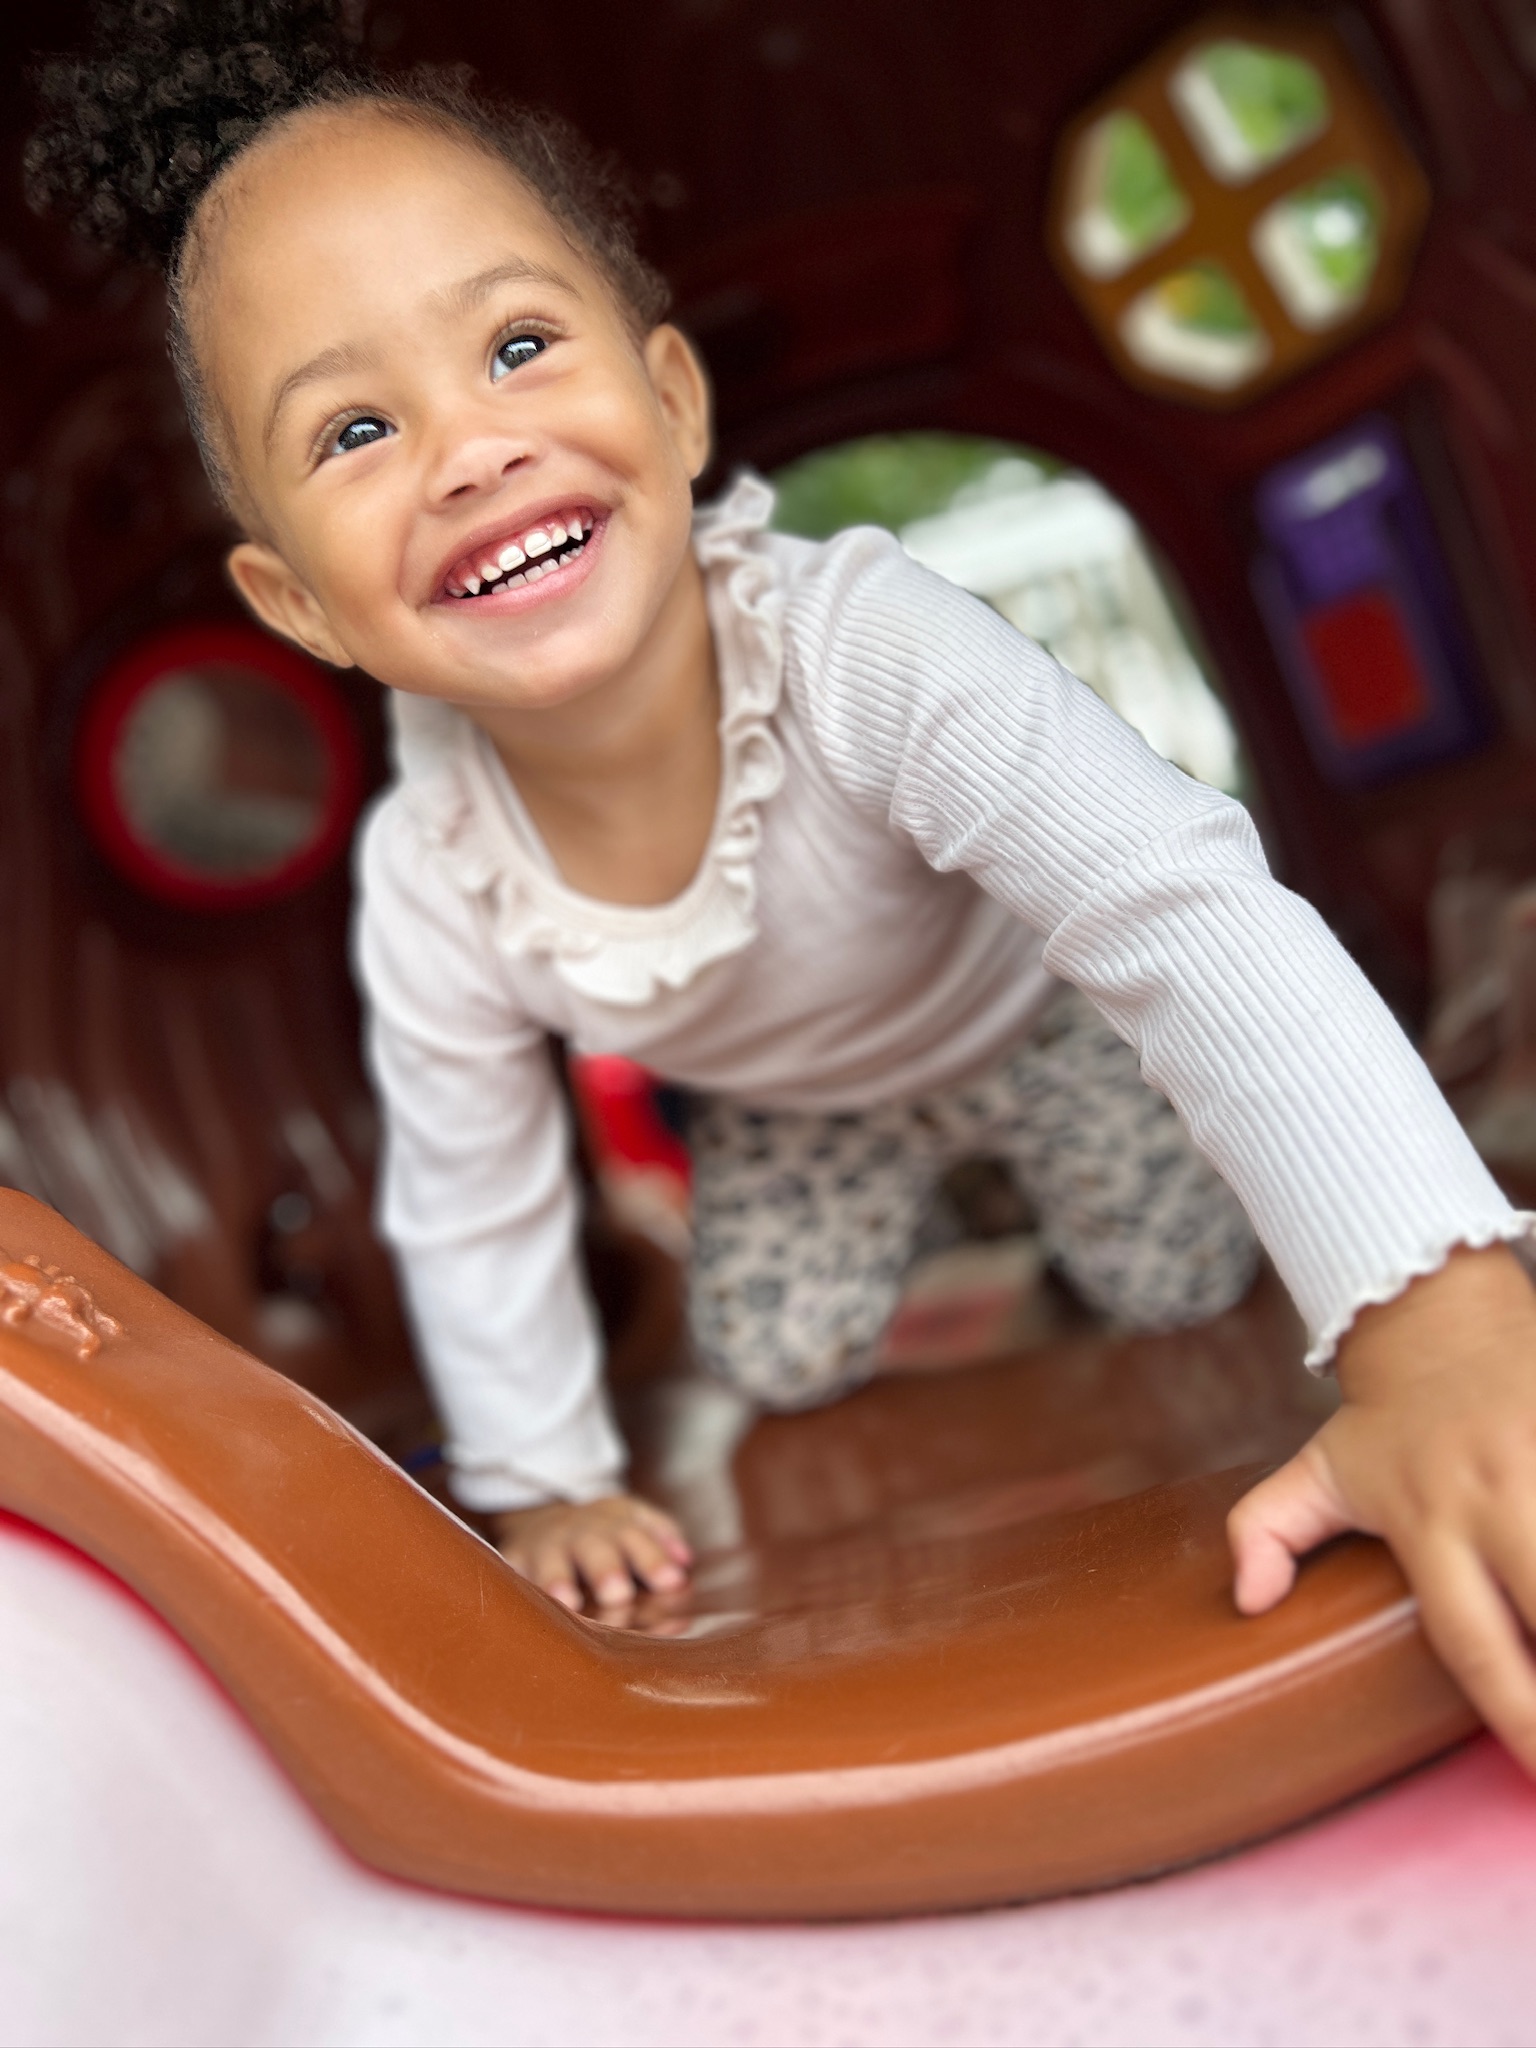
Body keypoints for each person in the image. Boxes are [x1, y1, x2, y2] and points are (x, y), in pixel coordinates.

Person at [29, 0, 1536, 1775]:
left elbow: (1171, 904)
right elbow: (474, 1188)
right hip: (793, 1112)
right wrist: (548, 1484)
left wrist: (1437, 1332)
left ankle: (1116, 1213)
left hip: (1036, 1024)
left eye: (517, 345)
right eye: (353, 432)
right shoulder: (427, 873)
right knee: (784, 1355)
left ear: (669, 408)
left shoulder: (862, 645)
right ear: (300, 609)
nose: (465, 446)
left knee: (1172, 1274)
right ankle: (910, 1228)